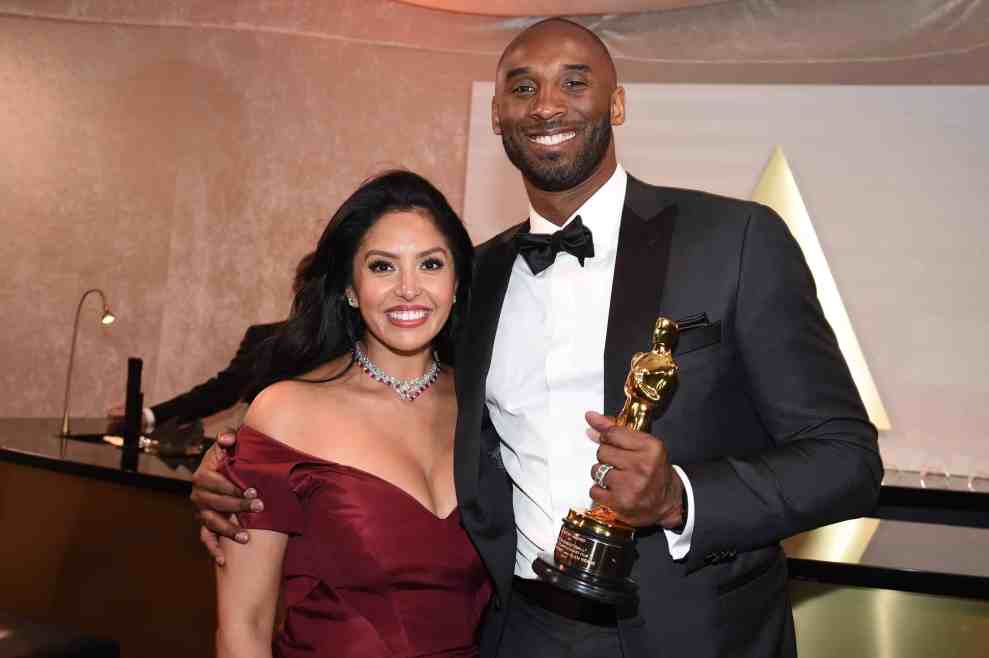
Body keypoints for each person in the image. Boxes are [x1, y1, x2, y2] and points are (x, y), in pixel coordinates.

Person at [193, 18, 883, 658]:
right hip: (519, 632)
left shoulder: (735, 241)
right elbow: (385, 413)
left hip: (700, 635)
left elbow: (846, 460)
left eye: (574, 82)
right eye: (522, 88)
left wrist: (679, 496)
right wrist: (233, 473)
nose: (547, 105)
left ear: (617, 103)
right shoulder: (474, 279)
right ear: (498, 114)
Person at [213, 170, 487, 658]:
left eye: (430, 264)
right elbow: (243, 628)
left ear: (456, 281)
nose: (409, 289)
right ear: (350, 288)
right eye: (383, 267)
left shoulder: (488, 409)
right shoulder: (285, 413)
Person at [105, 255, 316, 434]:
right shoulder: (265, 339)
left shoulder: (338, 353)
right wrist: (149, 415)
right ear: (299, 289)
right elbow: (222, 391)